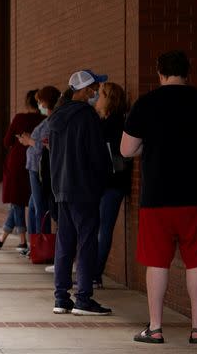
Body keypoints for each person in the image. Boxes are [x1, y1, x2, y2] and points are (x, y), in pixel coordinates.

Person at [121, 51, 197, 344]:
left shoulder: (146, 104)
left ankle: (155, 328)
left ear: (160, 72)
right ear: (187, 72)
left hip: (156, 198)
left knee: (157, 262)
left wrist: (151, 147)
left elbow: (126, 150)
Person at [47, 70, 112, 315]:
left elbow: (51, 157)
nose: (96, 93)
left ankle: (61, 298)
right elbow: (97, 154)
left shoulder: (56, 118)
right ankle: (83, 297)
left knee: (64, 242)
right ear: (84, 90)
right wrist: (103, 178)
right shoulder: (87, 116)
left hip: (61, 188)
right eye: (94, 89)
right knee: (86, 243)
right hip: (84, 188)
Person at [0, 90, 45, 251]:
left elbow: (7, 141)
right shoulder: (45, 120)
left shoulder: (20, 118)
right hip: (38, 164)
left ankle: (22, 241)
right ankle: (2, 238)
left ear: (28, 102)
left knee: (17, 201)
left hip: (17, 162)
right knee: (23, 201)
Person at [93, 81, 132, 289]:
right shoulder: (110, 123)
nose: (97, 100)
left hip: (111, 183)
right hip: (108, 183)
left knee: (103, 228)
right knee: (100, 228)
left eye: (100, 95)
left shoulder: (113, 125)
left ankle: (94, 274)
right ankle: (93, 273)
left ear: (109, 99)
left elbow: (117, 158)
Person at [19, 86, 61, 238]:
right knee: (32, 206)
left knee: (40, 208)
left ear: (46, 102)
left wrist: (30, 141)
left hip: (39, 168)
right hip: (35, 167)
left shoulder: (54, 121)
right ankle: (34, 243)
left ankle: (41, 243)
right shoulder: (49, 120)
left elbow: (49, 145)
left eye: (40, 102)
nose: (39, 106)